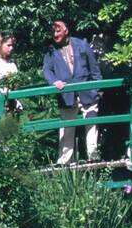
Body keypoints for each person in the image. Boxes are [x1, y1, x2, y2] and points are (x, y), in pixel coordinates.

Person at [42, 20, 102, 164]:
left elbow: (94, 68)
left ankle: (93, 157)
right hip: (66, 95)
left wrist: (97, 90)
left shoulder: (82, 44)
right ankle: (65, 161)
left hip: (87, 92)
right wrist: (54, 81)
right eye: (53, 32)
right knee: (67, 127)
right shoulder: (51, 50)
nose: (55, 34)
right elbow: (47, 70)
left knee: (91, 123)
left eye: (58, 31)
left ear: (66, 30)